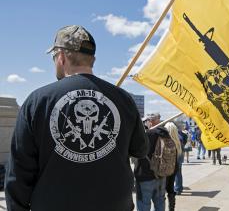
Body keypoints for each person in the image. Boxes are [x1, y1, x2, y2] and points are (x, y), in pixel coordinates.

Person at [5, 25, 149, 211]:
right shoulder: (124, 100)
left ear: (61, 57)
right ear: (92, 59)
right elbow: (140, 149)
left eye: (54, 57)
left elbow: (18, 170)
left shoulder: (37, 101)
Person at [134, 113, 169, 211]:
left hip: (145, 176)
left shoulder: (145, 135)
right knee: (160, 203)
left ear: (150, 121)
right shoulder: (165, 134)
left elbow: (134, 153)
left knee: (144, 204)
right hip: (161, 175)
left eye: (146, 121)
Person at [164, 122, 182, 211]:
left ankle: (161, 208)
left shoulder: (165, 140)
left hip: (165, 168)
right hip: (174, 167)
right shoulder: (177, 141)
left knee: (162, 190)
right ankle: (171, 208)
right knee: (170, 188)